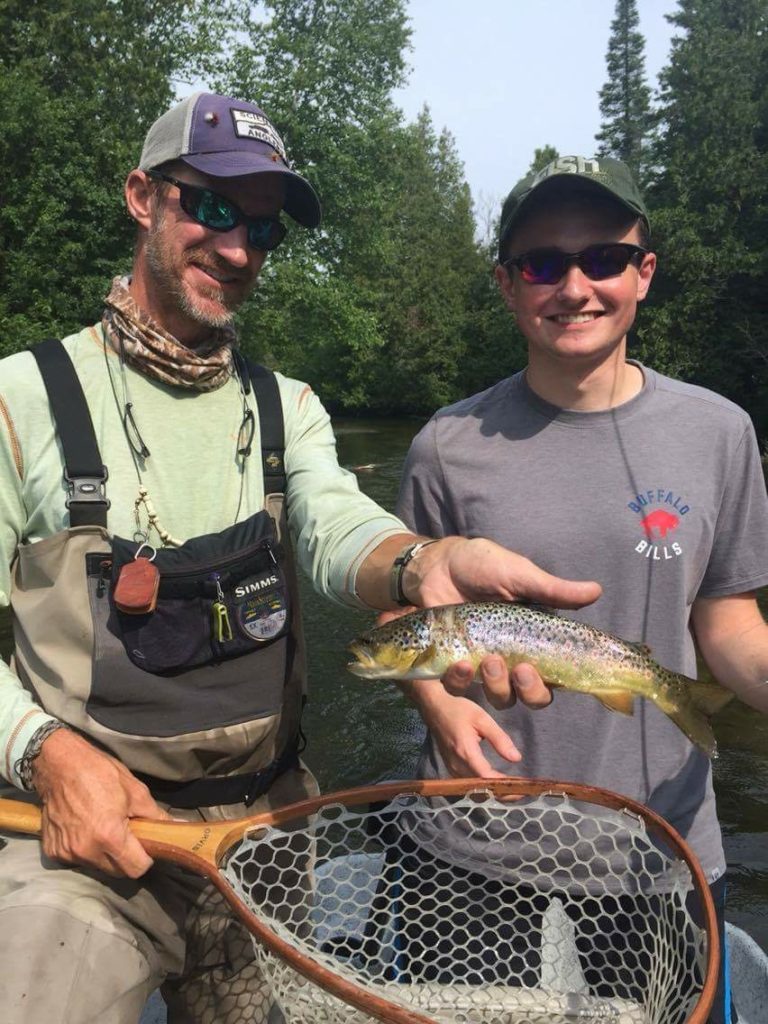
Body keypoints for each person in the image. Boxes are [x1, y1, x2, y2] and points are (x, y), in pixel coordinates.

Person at [0, 95, 600, 1024]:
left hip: (269, 837)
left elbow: (331, 523)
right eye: (213, 208)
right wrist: (44, 754)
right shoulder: (20, 401)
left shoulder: (288, 408)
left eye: (265, 228)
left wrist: (422, 561)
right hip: (84, 840)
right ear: (141, 197)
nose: (239, 250)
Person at [395, 154, 768, 1023]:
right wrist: (438, 706)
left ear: (643, 273)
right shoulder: (446, 444)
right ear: (506, 283)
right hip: (470, 843)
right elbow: (406, 621)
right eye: (542, 263)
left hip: (658, 844)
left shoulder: (719, 432)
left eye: (602, 258)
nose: (574, 285)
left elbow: (728, 618)